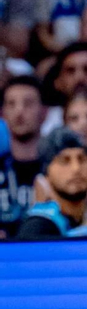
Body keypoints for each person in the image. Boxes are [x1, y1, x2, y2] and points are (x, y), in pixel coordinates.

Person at [16, 126, 87, 237]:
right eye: (64, 161)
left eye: (82, 159)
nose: (76, 168)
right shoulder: (38, 227)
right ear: (46, 172)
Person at [0, 72, 43, 229]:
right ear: (3, 113)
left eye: (28, 103)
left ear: (44, 112)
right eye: (11, 104)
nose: (19, 112)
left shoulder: (57, 169)